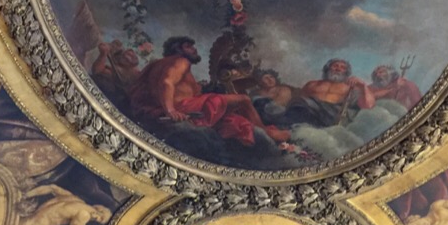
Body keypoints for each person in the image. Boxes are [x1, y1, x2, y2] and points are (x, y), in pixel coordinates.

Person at [127, 37, 289, 145]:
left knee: (234, 118)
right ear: (181, 48)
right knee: (243, 100)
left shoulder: (158, 64)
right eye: (190, 47)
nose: (194, 50)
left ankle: (256, 133)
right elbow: (167, 82)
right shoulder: (181, 61)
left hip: (175, 105)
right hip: (183, 106)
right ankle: (267, 132)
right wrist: (170, 110)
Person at [286, 58, 373, 128]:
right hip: (307, 114)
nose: (338, 69)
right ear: (327, 69)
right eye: (335, 66)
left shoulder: (350, 88)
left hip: (330, 118)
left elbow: (368, 106)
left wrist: (363, 86)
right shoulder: (312, 84)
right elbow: (296, 101)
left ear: (346, 73)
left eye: (343, 67)